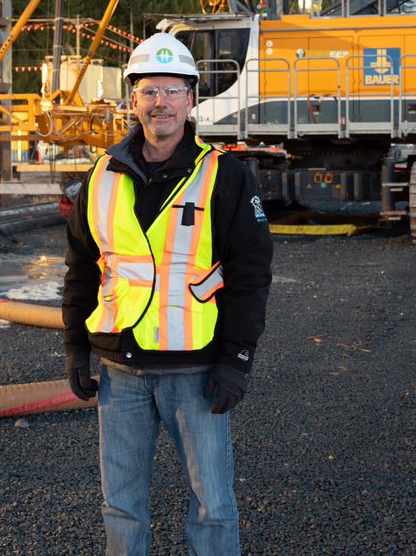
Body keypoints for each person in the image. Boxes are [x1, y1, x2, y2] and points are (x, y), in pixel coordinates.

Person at [62, 31, 273, 555]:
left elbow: (250, 276)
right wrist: (75, 346)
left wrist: (237, 360)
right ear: (132, 99)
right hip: (121, 372)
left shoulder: (225, 176)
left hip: (196, 374)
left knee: (213, 507)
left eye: (173, 90)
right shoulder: (101, 175)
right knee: (121, 506)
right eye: (150, 90)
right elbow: (82, 268)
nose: (162, 102)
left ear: (192, 98)